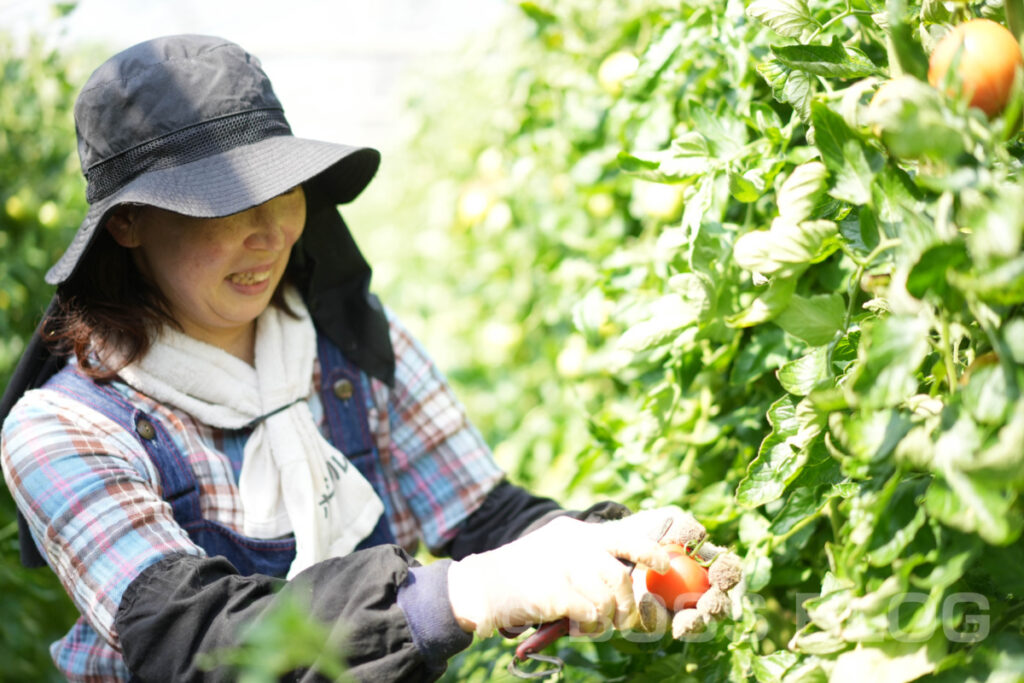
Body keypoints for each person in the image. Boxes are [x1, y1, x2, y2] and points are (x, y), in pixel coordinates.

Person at [0, 35, 739, 682]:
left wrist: (616, 549)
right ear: (127, 223)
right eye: (224, 204)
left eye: (282, 190)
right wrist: (474, 592)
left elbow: (484, 521)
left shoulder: (347, 345)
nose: (270, 231)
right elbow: (195, 638)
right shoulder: (63, 429)